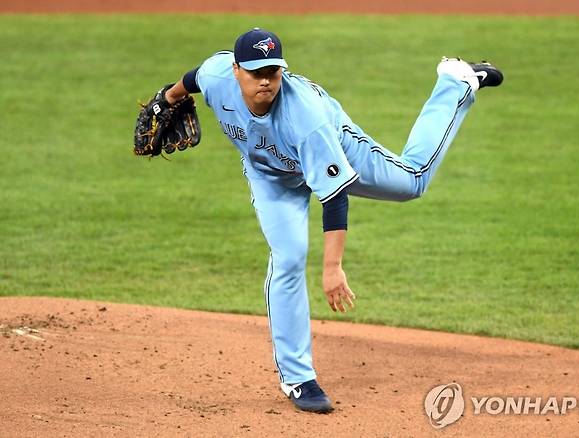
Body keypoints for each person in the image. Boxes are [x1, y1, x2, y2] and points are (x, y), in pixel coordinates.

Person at [160, 27, 503, 413]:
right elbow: (190, 81)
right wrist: (167, 98)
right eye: (256, 73)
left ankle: (456, 82)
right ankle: (298, 379)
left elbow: (335, 196)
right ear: (236, 70)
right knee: (288, 258)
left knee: (413, 182)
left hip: (337, 146)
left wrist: (332, 267)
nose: (266, 82)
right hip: (271, 175)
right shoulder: (216, 75)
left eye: (273, 72)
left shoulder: (305, 119)